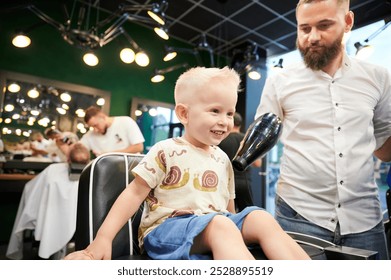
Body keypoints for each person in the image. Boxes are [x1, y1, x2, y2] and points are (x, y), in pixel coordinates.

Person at [64, 67, 310, 260]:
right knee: (221, 224)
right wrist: (103, 239)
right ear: (183, 114)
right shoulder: (166, 150)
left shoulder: (222, 158)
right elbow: (133, 194)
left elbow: (229, 208)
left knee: (260, 218)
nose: (224, 121)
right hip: (166, 231)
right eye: (215, 111)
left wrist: (238, 230)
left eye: (228, 113)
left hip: (214, 224)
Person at [255, 0, 391, 259]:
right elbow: (261, 138)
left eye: (324, 25)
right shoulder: (280, 81)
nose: (313, 37)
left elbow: (385, 151)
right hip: (298, 215)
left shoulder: (379, 77)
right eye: (304, 29)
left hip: (363, 217)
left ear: (348, 22)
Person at [218, 112, 261, 212]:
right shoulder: (248, 139)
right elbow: (257, 163)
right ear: (240, 124)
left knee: (226, 215)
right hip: (244, 182)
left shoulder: (220, 139)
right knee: (247, 215)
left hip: (226, 183)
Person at [80, 106, 145, 157]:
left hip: (130, 167)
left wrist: (110, 155)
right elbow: (78, 147)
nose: (95, 130)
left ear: (103, 117)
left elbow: (139, 147)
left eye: (96, 125)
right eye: (92, 127)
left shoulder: (125, 121)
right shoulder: (91, 134)